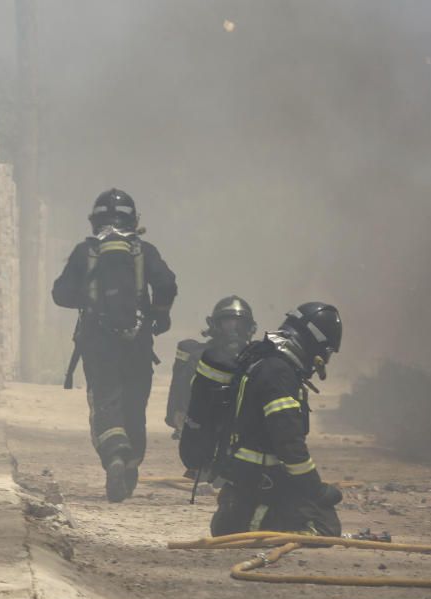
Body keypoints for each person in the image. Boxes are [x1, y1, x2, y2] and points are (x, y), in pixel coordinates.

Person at [52, 188, 177, 502]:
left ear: (95, 220)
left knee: (106, 401)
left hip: (97, 343)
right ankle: (132, 462)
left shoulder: (86, 251)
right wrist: (159, 315)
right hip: (137, 343)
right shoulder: (143, 250)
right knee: (135, 404)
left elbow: (61, 294)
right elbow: (166, 284)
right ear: (133, 220)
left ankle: (115, 456)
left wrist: (90, 298)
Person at [180, 302, 343, 536]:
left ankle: (235, 516)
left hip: (245, 478)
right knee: (326, 525)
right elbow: (289, 444)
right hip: (261, 480)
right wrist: (315, 490)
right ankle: (247, 523)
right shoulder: (279, 373)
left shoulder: (264, 359)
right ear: (315, 342)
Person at [165, 295, 257, 440]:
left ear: (249, 327)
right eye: (228, 323)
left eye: (239, 324)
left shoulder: (257, 358)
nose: (233, 330)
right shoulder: (199, 357)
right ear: (215, 325)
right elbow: (183, 390)